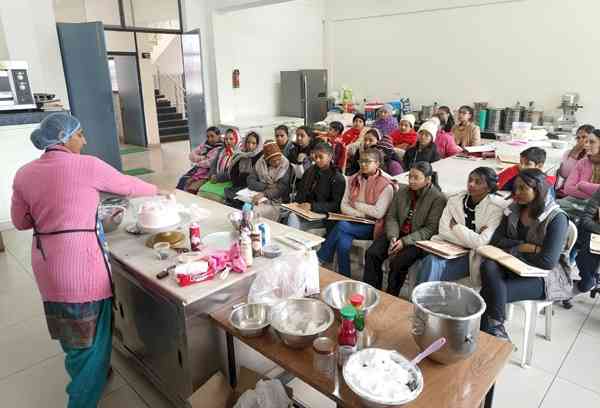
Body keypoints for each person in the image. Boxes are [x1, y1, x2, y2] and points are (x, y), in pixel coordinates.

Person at [10, 113, 158, 407]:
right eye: (80, 135)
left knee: (72, 333)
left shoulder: (24, 173)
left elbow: (20, 222)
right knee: (92, 342)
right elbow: (128, 185)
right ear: (64, 138)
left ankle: (94, 374)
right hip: (82, 269)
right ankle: (83, 395)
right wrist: (160, 191)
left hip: (48, 266)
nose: (85, 140)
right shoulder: (87, 166)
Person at [479, 169, 572, 340]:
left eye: (523, 188)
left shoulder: (556, 218)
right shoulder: (513, 209)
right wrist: (525, 247)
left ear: (538, 190)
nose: (517, 193)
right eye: (515, 188)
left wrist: (513, 249)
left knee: (490, 292)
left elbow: (547, 262)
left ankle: (493, 333)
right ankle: (495, 331)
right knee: (488, 265)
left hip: (544, 277)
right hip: (513, 265)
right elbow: (497, 241)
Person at [363, 162, 446, 295]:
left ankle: (391, 297)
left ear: (428, 179)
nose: (411, 181)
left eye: (416, 178)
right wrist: (393, 237)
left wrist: (404, 242)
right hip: (397, 234)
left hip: (418, 241)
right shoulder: (402, 191)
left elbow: (430, 229)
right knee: (372, 253)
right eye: (410, 177)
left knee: (398, 263)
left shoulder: (438, 198)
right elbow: (392, 217)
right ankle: (372, 292)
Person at [413, 167, 505, 287]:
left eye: (478, 182)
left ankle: (417, 301)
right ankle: (419, 301)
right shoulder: (455, 201)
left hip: (470, 257)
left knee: (431, 265)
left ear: (488, 187)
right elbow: (443, 231)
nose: (471, 184)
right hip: (446, 249)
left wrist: (456, 227)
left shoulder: (495, 209)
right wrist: (473, 237)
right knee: (430, 262)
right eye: (470, 180)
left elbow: (481, 243)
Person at [317, 148, 394, 278]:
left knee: (341, 225)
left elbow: (378, 213)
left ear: (377, 163)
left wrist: (357, 205)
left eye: (367, 161)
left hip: (374, 227)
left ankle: (321, 256)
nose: (363, 164)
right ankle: (344, 276)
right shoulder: (353, 179)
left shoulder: (386, 185)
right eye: (361, 161)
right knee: (342, 243)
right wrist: (361, 214)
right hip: (354, 221)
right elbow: (343, 205)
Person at [287, 142, 346, 231]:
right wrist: (296, 204)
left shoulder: (337, 178)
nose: (317, 160)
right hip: (304, 211)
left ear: (330, 157)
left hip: (322, 216)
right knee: (291, 216)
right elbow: (301, 191)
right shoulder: (310, 171)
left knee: (293, 222)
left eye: (320, 157)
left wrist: (312, 206)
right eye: (315, 157)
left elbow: (336, 205)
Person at [558, 129, 600, 220]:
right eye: (587, 142)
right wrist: (594, 193)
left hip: (595, 209)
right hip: (576, 204)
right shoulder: (583, 162)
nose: (586, 145)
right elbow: (568, 189)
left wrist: (581, 185)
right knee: (554, 207)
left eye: (591, 142)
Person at [247, 140, 292, 220]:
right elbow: (250, 181)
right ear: (267, 160)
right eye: (274, 161)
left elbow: (281, 188)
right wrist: (267, 186)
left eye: (279, 159)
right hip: (260, 195)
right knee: (248, 207)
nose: (278, 162)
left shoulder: (285, 164)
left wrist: (264, 194)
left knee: (255, 211)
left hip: (279, 200)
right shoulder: (260, 164)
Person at [177, 126, 223, 194]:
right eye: (208, 136)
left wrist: (198, 161)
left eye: (212, 136)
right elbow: (191, 155)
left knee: (191, 187)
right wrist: (202, 158)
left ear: (219, 136)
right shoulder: (205, 144)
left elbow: (210, 163)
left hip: (208, 172)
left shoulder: (220, 148)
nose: (210, 139)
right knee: (183, 180)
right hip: (198, 169)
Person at [198, 128, 239, 202]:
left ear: (236, 139)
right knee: (201, 192)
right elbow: (214, 164)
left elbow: (232, 172)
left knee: (216, 198)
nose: (228, 141)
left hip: (228, 181)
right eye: (226, 139)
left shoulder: (239, 154)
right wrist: (212, 175)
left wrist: (218, 177)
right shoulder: (221, 150)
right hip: (215, 178)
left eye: (231, 139)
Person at [224, 131, 263, 207]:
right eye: (248, 142)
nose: (250, 146)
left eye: (253, 143)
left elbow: (261, 177)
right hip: (239, 187)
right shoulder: (240, 155)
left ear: (258, 144)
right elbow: (233, 174)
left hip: (253, 189)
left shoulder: (261, 157)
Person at [574, 188, 600, 296]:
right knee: (590, 247)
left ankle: (590, 281)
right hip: (594, 235)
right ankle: (589, 280)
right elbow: (585, 220)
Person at [556, 124, 594, 195]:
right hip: (566, 189)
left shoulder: (594, 157)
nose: (580, 140)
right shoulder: (568, 153)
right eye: (578, 138)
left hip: (583, 193)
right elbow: (564, 174)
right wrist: (573, 155)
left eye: (584, 137)